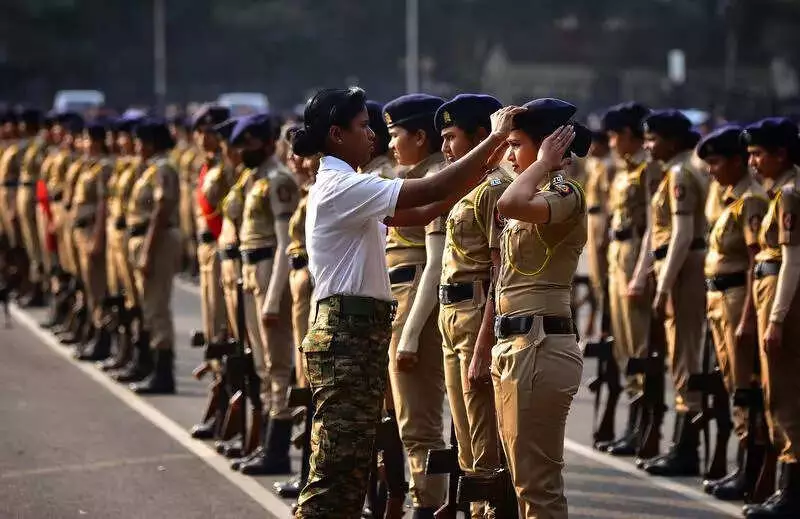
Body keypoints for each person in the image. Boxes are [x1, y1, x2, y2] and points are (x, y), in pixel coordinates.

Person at [291, 86, 518, 519]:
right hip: (346, 337)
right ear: (337, 135)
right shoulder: (341, 185)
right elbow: (431, 188)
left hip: (356, 334)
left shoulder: (346, 184)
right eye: (362, 127)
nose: (373, 136)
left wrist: (482, 174)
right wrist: (495, 140)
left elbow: (422, 209)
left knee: (351, 467)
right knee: (335, 474)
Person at [489, 98, 590, 519]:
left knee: (537, 487)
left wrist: (545, 162)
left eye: (516, 144)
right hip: (517, 343)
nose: (509, 154)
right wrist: (502, 141)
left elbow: (507, 204)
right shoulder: (533, 188)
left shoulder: (565, 193)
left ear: (548, 145)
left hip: (540, 345)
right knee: (523, 482)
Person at [435, 93, 509, 519]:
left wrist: (483, 346)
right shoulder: (469, 187)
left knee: (484, 437)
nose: (445, 147)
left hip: (476, 316)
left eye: (452, 137)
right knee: (464, 434)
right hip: (453, 316)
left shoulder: (494, 189)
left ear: (483, 137)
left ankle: (489, 512)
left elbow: (499, 274)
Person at [382, 93, 450, 516]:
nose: (390, 145)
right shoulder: (413, 176)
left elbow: (434, 263)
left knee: (419, 422)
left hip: (416, 309)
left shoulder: (438, 177)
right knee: (407, 420)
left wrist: (408, 335)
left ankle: (430, 506)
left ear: (420, 136)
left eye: (395, 135)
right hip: (400, 300)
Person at [631, 110, 708, 476]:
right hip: (674, 268)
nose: (647, 145)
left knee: (684, 356)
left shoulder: (680, 173)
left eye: (653, 138)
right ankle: (681, 443)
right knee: (679, 355)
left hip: (684, 272)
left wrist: (662, 286)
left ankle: (686, 447)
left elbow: (681, 235)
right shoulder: (675, 172)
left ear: (673, 140)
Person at [696, 125, 769, 501]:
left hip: (740, 298)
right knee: (731, 383)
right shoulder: (729, 198)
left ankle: (753, 468)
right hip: (719, 298)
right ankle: (744, 465)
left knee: (745, 387)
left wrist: (748, 319)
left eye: (717, 162)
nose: (711, 169)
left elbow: (756, 262)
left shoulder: (751, 201)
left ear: (738, 161)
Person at [226, 113, 299, 475]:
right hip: (250, 268)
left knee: (277, 364)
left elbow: (287, 242)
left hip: (271, 269)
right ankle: (267, 443)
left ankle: (278, 449)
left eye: (249, 143)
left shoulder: (279, 179)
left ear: (269, 142)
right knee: (261, 364)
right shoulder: (251, 179)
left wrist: (273, 297)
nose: (243, 150)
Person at [742, 117, 800, 518]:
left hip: (784, 303)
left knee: (784, 395)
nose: (753, 163)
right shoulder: (780, 191)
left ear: (781, 154)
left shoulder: (790, 194)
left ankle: (790, 492)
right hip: (773, 296)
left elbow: (793, 261)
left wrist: (776, 319)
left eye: (759, 154)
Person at [598, 102, 660, 456]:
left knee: (639, 347)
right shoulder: (622, 170)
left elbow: (654, 223)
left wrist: (641, 272)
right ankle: (633, 425)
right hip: (617, 256)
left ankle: (644, 426)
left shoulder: (647, 170)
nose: (611, 140)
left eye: (615, 133)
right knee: (622, 345)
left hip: (636, 254)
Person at [125, 118, 182, 395]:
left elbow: (161, 210)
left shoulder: (163, 169)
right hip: (147, 238)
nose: (136, 147)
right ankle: (150, 365)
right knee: (149, 306)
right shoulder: (150, 170)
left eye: (140, 142)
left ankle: (163, 373)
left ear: (150, 143)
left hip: (157, 241)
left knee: (157, 307)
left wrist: (147, 249)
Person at [98, 112, 146, 372]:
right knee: (121, 297)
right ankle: (124, 349)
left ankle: (142, 357)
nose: (117, 140)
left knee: (137, 301)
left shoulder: (142, 168)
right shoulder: (122, 165)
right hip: (118, 235)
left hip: (131, 235)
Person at [70, 121, 113, 361]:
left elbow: (102, 205)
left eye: (86, 139)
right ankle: (96, 334)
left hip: (93, 232)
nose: (82, 144)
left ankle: (103, 339)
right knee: (90, 287)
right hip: (82, 231)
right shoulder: (91, 166)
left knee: (98, 288)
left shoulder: (103, 168)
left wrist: (98, 237)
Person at [191, 105, 232, 353]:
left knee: (220, 318)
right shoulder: (207, 165)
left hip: (220, 244)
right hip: (206, 245)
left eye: (209, 132)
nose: (203, 138)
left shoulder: (226, 166)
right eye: (200, 131)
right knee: (210, 314)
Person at [582, 130, 614, 342]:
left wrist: (604, 232)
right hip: (591, 217)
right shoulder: (593, 164)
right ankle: (596, 321)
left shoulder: (610, 166)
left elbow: (610, 201)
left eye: (595, 144)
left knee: (602, 277)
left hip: (601, 218)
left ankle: (605, 324)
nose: (591, 148)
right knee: (594, 277)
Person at [16, 108, 48, 307]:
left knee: (38, 246)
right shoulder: (28, 145)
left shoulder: (39, 146)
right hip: (26, 193)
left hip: (35, 194)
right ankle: (35, 284)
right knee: (31, 245)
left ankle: (40, 288)